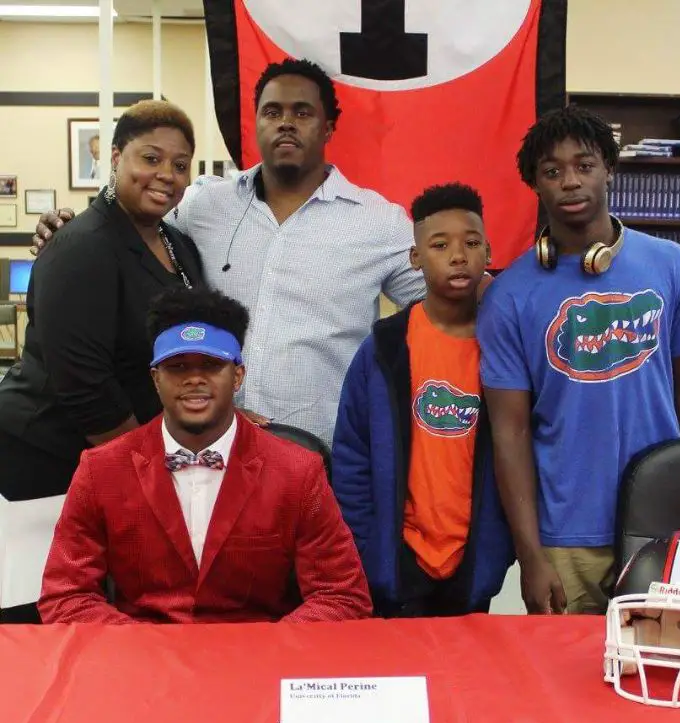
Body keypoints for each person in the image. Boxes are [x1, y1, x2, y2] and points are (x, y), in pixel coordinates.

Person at [32, 58, 426, 449]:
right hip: (207, 451)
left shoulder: (379, 223)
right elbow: (128, 228)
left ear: (328, 128)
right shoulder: (205, 204)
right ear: (255, 124)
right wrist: (67, 229)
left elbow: (450, 295)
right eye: (272, 111)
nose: (285, 122)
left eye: (302, 112)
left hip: (321, 452)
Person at [477, 105, 680, 616]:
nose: (569, 181)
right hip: (566, 539)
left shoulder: (670, 264)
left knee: (662, 674)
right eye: (552, 170)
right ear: (535, 185)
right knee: (562, 688)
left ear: (609, 167)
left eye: (584, 165)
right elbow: (511, 433)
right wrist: (531, 554)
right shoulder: (510, 295)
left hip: (663, 521)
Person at [38, 286, 372, 624]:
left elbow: (341, 594)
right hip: (143, 660)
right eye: (178, 366)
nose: (194, 379)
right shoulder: (101, 471)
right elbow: (66, 595)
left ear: (238, 376)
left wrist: (267, 652)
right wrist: (143, 649)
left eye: (211, 365)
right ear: (156, 379)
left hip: (255, 661)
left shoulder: (297, 471)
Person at [0, 100, 203, 506]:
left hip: (126, 449)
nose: (167, 175)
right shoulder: (81, 246)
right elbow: (84, 387)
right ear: (115, 157)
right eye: (151, 158)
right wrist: (148, 468)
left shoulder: (176, 242)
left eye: (180, 166)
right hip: (52, 453)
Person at [332, 183, 515, 617]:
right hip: (396, 561)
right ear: (415, 258)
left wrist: (501, 544)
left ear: (488, 252)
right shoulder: (384, 348)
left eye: (471, 243)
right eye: (439, 244)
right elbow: (352, 454)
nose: (458, 255)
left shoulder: (506, 347)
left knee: (466, 680)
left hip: (474, 563)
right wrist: (366, 542)